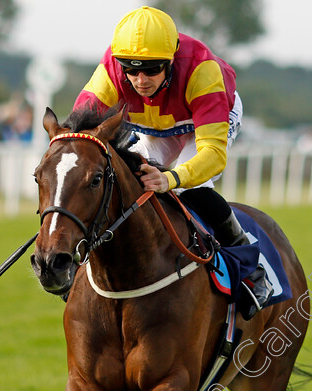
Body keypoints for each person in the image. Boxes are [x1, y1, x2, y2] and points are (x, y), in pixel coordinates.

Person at [72, 6, 272, 319]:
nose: (140, 80)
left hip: (205, 122)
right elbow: (80, 128)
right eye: (131, 69)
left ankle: (251, 269)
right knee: (127, 183)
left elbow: (212, 155)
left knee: (192, 187)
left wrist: (172, 178)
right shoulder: (111, 67)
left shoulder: (201, 70)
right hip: (156, 128)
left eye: (152, 70)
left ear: (172, 59)